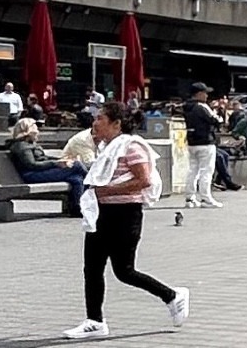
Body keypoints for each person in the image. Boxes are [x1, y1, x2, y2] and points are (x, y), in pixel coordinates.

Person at [63, 100, 189, 339]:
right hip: (102, 214)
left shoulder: (132, 146)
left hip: (125, 214)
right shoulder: (107, 147)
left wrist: (103, 191)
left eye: (100, 118)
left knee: (124, 271)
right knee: (92, 269)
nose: (95, 122)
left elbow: (143, 181)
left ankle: (172, 295)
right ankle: (94, 320)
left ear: (116, 123)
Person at [7, 118, 88, 216]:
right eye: (35, 128)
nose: (38, 131)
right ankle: (93, 181)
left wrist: (60, 160)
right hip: (31, 175)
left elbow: (44, 158)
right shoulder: (21, 146)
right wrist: (55, 163)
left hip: (39, 172)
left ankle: (76, 208)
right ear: (28, 130)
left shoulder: (30, 144)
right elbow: (32, 165)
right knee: (77, 166)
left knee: (77, 179)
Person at [181, 84, 222, 208]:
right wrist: (216, 112)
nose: (207, 95)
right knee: (206, 171)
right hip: (205, 142)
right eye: (204, 93)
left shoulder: (186, 107)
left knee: (193, 170)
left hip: (192, 142)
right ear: (198, 94)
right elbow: (216, 120)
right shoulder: (202, 107)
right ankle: (206, 198)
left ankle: (190, 198)